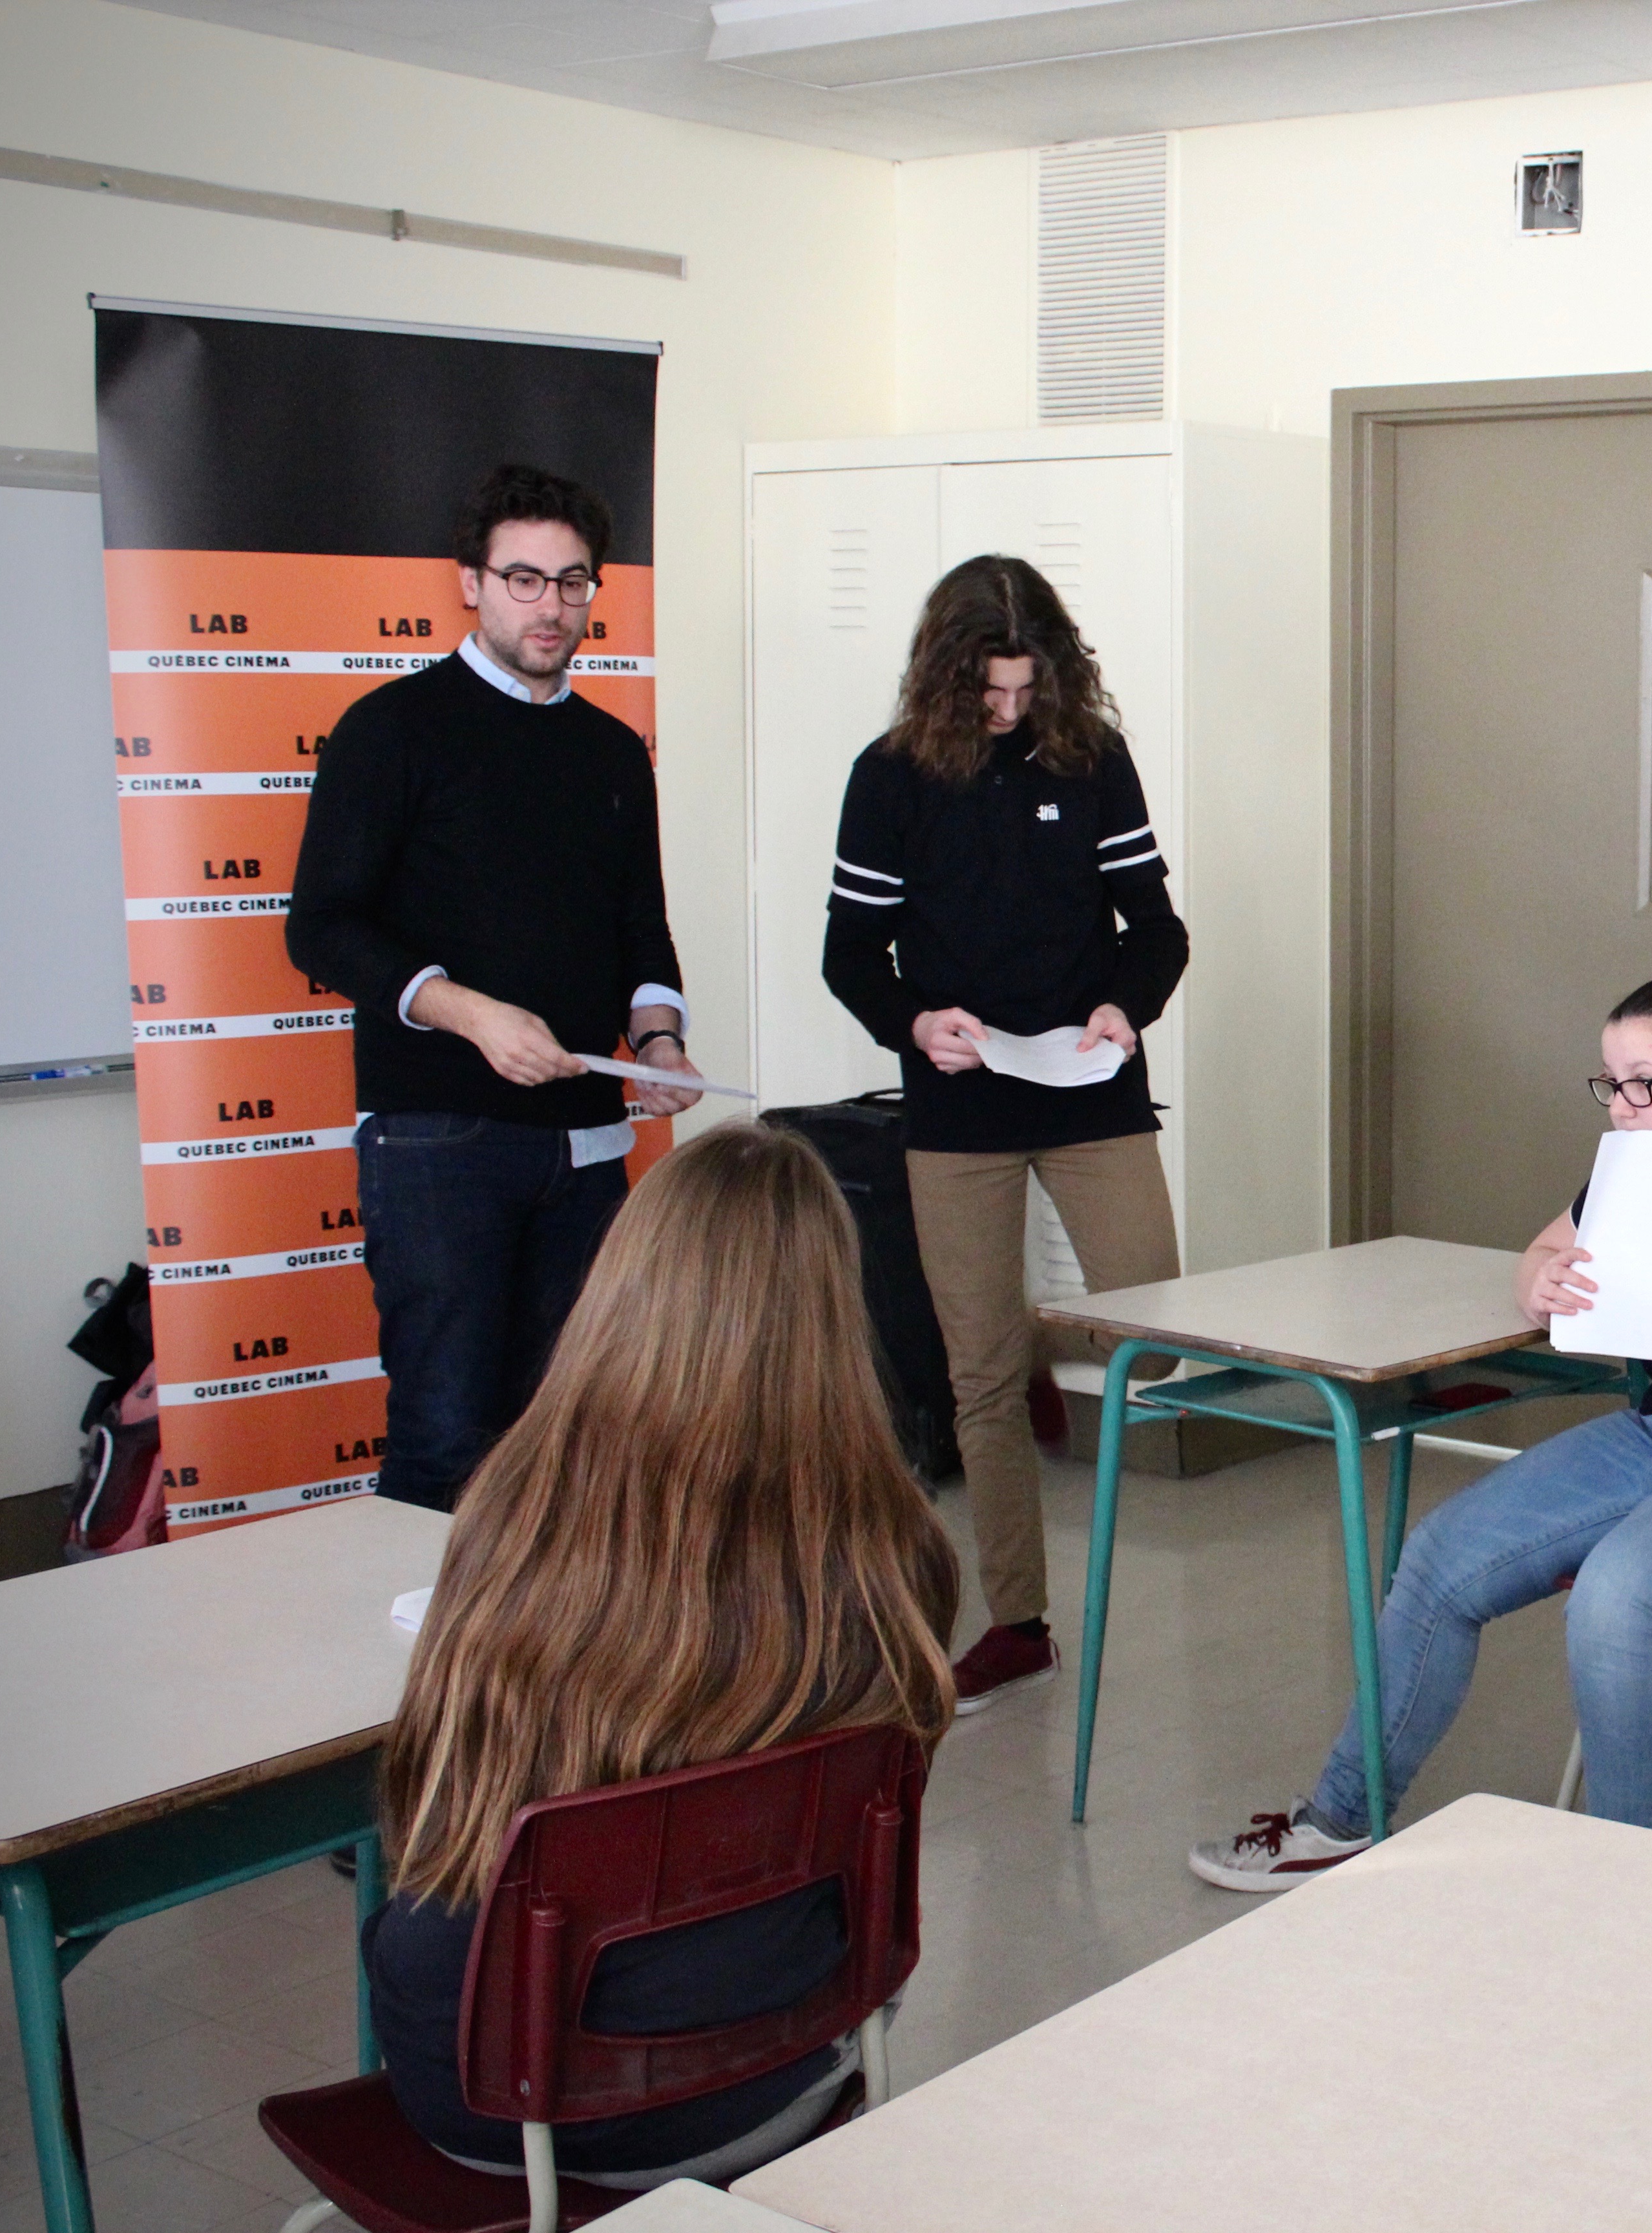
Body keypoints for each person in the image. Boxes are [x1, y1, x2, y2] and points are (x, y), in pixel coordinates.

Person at [1187, 974, 1652, 1889]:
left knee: (1617, 1600)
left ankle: (1628, 1881)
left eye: (1644, 1082)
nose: (1622, 1106)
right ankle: (1340, 1820)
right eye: (1610, 1083)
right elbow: (1545, 1250)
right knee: (1438, 1560)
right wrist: (1538, 1283)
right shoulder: (1639, 1167)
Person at [369, 1122, 958, 2188]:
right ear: (833, 1311)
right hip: (779, 2075)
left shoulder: (512, 1513)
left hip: (500, 2106)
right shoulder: (896, 1551)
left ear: (621, 1287)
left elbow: (433, 1824)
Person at [287, 463, 704, 1513]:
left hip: (586, 1142)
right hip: (438, 1141)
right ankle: (435, 1677)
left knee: (572, 1435)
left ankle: (536, 1670)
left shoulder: (612, 750)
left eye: (573, 582)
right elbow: (321, 926)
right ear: (469, 583)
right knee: (444, 1434)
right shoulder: (392, 729)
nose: (551, 605)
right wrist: (471, 1014)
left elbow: (639, 927)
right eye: (524, 578)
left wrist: (656, 1042)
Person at [822, 555, 1187, 1712]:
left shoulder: (1092, 761)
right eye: (989, 693)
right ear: (944, 676)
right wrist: (911, 1022)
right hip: (960, 1098)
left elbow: (1156, 930)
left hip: (1087, 1085)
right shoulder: (887, 778)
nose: (1010, 710)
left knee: (1157, 1319)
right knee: (978, 1373)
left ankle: (1028, 1344)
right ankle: (1018, 1619)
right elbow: (850, 955)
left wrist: (1126, 1006)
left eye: (1029, 690)